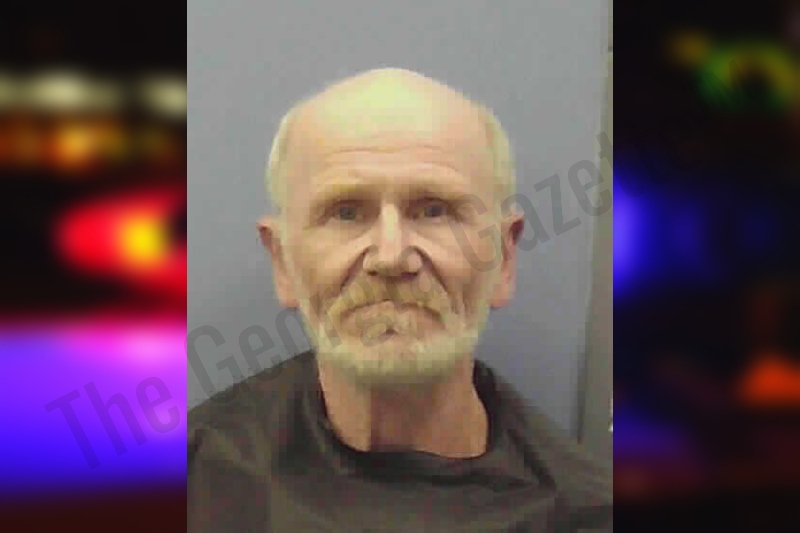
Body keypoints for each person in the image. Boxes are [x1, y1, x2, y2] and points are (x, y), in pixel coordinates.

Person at [187, 67, 612, 532]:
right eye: (345, 212)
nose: (391, 257)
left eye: (434, 210)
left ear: (504, 258)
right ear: (283, 262)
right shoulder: (194, 480)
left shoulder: (585, 515)